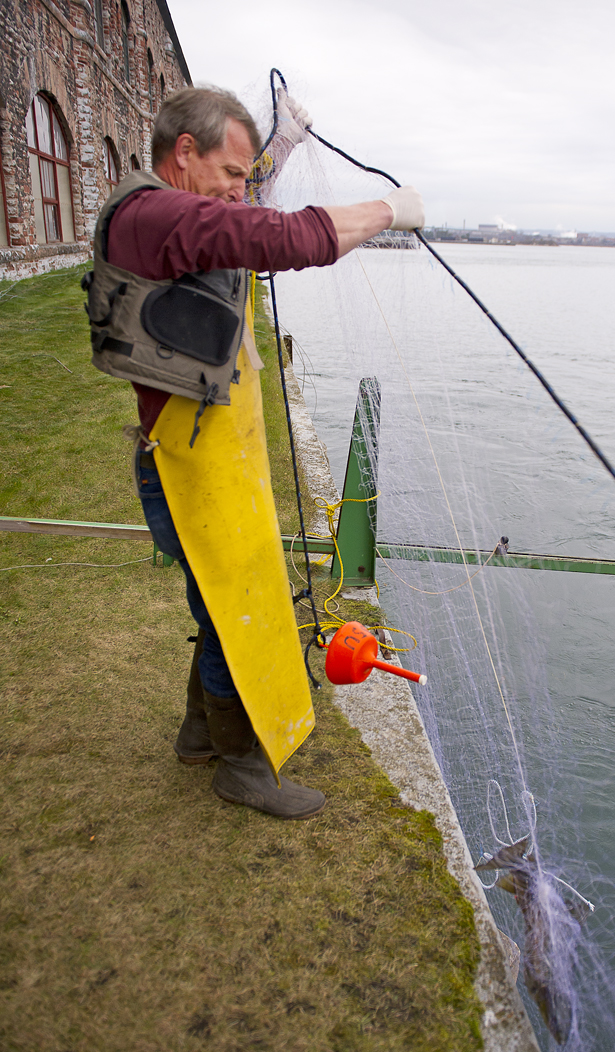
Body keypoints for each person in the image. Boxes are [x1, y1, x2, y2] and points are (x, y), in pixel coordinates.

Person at [84, 85, 425, 820]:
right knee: (232, 613)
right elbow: (279, 237)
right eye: (232, 173)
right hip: (183, 468)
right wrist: (388, 210)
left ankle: (198, 736)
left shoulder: (172, 211)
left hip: (203, 457)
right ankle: (240, 764)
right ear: (183, 153)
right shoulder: (155, 216)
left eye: (247, 175)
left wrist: (284, 144)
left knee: (218, 604)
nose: (242, 190)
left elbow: (239, 208)